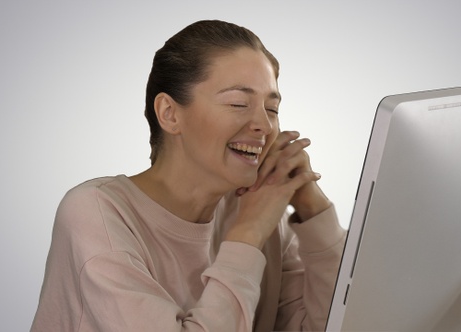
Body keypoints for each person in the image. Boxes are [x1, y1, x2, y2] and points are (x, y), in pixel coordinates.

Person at [31, 20, 345, 332]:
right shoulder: (97, 213)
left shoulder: (260, 209)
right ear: (169, 113)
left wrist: (313, 209)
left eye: (272, 109)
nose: (264, 125)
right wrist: (248, 234)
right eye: (238, 103)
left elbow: (339, 324)